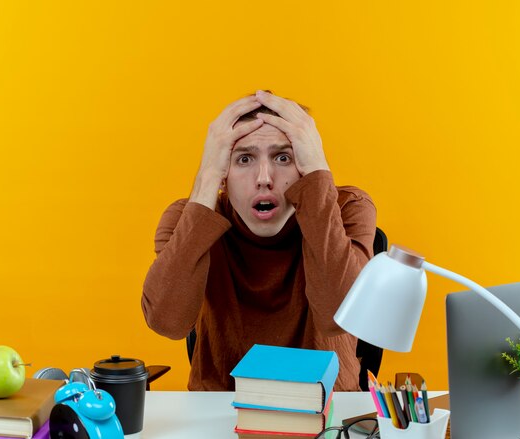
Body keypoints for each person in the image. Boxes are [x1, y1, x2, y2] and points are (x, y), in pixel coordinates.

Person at [141, 90, 377, 391]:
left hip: (329, 410)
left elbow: (339, 317)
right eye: (244, 159)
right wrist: (207, 178)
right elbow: (166, 322)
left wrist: (318, 176)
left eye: (283, 157)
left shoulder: (347, 209)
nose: (264, 177)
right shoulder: (187, 218)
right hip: (221, 409)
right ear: (224, 174)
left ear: (305, 164)